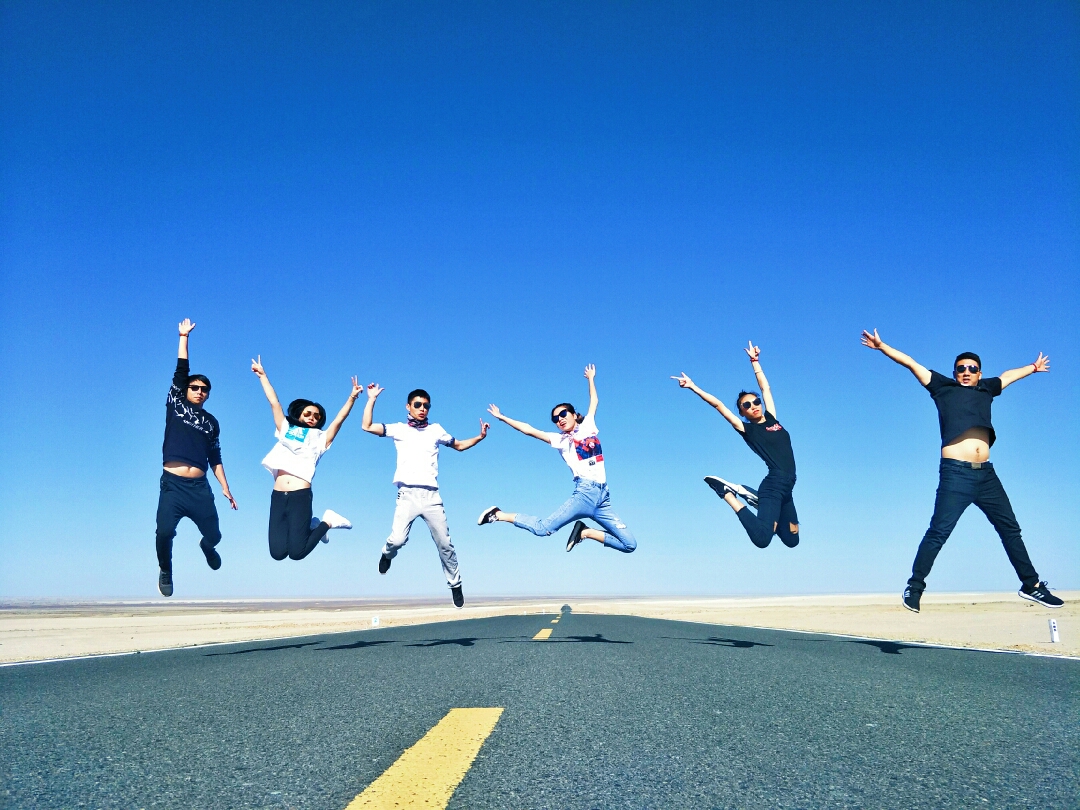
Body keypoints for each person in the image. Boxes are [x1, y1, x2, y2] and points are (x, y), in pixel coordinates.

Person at [861, 329, 1063, 612]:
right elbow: (911, 363)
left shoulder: (986, 389)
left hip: (987, 475)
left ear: (979, 373)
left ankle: (1031, 585)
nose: (966, 372)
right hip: (956, 474)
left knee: (1011, 529)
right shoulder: (943, 388)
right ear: (954, 372)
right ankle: (914, 587)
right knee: (939, 531)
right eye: (961, 369)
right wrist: (883, 347)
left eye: (972, 369)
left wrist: (1033, 367)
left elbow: (1007, 376)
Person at [478, 364, 637, 555]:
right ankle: (498, 514)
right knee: (543, 529)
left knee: (629, 545)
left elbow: (594, 400)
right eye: (555, 419)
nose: (560, 419)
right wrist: (502, 417)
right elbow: (528, 429)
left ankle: (585, 532)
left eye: (563, 414)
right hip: (584, 494)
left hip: (603, 498)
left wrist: (591, 379)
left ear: (573, 415)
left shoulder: (588, 426)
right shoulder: (559, 440)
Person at [361, 384, 488, 607]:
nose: (422, 409)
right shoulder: (399, 429)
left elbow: (458, 445)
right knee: (398, 540)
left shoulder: (436, 430)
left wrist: (480, 437)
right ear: (408, 407)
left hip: (431, 496)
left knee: (445, 544)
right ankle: (387, 554)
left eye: (426, 406)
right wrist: (371, 399)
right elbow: (367, 426)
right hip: (407, 494)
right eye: (418, 404)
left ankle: (455, 583)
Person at [672, 342, 799, 550]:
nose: (753, 406)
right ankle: (728, 493)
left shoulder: (772, 418)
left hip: (788, 487)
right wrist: (693, 387)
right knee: (762, 539)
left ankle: (759, 503)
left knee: (792, 539)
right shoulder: (747, 429)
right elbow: (718, 405)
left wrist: (754, 361)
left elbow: (765, 388)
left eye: (756, 402)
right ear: (742, 412)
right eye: (746, 405)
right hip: (774, 485)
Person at [156, 319, 236, 597]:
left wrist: (225, 487)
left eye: (204, 389)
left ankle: (206, 546)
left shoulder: (212, 422)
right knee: (164, 532)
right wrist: (183, 337)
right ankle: (166, 569)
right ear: (186, 390)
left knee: (215, 534)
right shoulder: (175, 403)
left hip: (200, 488)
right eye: (195, 387)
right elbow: (182, 370)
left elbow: (215, 456)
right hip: (173, 485)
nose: (199, 391)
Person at [251, 356, 359, 562]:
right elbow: (274, 403)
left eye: (317, 416)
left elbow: (339, 419)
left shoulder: (320, 438)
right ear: (299, 414)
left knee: (297, 553)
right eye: (308, 413)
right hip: (278, 496)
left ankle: (327, 522)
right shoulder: (286, 429)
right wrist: (263, 376)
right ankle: (314, 525)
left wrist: (352, 397)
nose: (312, 417)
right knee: (277, 553)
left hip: (300, 496)